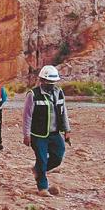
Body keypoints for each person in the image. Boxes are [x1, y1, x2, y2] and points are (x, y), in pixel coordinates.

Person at [23, 65, 71, 197]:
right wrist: (26, 134)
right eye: (48, 82)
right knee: (42, 159)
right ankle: (43, 187)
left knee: (58, 156)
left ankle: (38, 171)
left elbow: (64, 111)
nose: (51, 85)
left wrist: (67, 129)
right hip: (38, 135)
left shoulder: (59, 92)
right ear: (42, 81)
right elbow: (27, 115)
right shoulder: (33, 94)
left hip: (55, 133)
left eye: (53, 82)